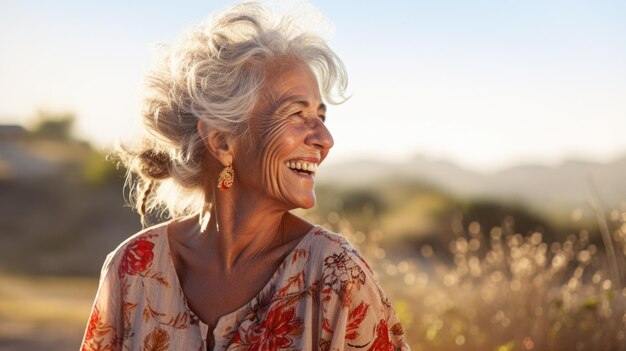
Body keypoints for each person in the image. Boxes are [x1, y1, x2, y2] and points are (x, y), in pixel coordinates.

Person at [81, 2, 409, 350]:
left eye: (321, 117)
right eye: (297, 114)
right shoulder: (134, 269)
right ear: (222, 141)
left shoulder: (334, 275)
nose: (324, 140)